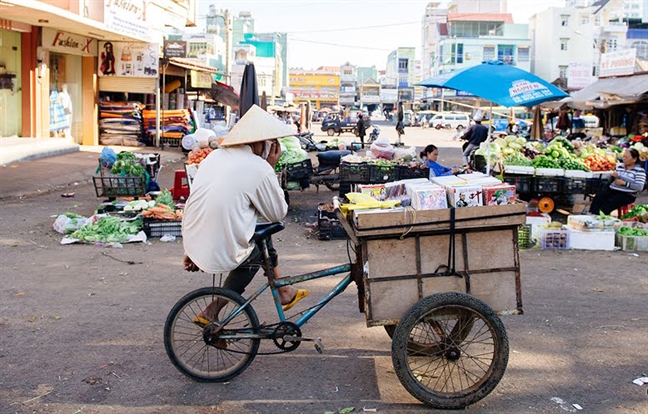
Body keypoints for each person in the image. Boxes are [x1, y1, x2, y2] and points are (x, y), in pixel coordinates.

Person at [182, 105, 310, 330]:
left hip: (195, 234)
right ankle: (212, 310)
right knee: (255, 254)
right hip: (218, 239)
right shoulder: (257, 167)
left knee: (262, 234)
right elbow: (277, 213)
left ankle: (283, 291)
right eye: (270, 142)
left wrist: (191, 249)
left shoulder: (215, 157)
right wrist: (268, 168)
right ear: (258, 143)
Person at [589, 148, 646, 215]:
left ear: (634, 159)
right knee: (598, 198)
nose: (624, 158)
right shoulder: (620, 167)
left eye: (626, 157)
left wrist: (625, 183)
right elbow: (611, 180)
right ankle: (592, 215)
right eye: (623, 156)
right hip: (613, 190)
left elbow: (639, 187)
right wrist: (612, 177)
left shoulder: (639, 171)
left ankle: (600, 218)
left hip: (627, 194)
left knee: (608, 204)